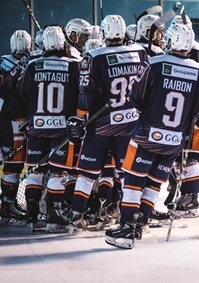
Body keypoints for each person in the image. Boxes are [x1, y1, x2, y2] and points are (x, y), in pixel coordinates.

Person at [105, 23, 199, 249]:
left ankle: (126, 227)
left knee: (133, 181)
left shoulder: (154, 63)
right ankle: (141, 222)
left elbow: (135, 97)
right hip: (174, 142)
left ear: (171, 41)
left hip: (146, 136)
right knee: (153, 184)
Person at [66, 14, 148, 235]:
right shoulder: (139, 52)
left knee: (86, 174)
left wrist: (79, 117)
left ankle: (76, 218)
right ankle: (126, 217)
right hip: (130, 124)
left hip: (100, 125)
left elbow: (86, 94)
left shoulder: (93, 56)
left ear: (103, 33)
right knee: (126, 174)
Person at [16, 25, 80, 232]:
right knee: (58, 172)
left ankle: (32, 215)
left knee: (35, 170)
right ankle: (54, 213)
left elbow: (23, 91)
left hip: (37, 127)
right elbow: (81, 93)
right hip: (61, 129)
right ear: (63, 42)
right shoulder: (72, 65)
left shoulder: (33, 64)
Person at [160, 14, 199, 220]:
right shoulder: (167, 51)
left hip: (194, 115)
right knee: (176, 158)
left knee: (190, 157)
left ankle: (190, 197)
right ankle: (179, 193)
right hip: (176, 116)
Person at [0, 30, 31, 226]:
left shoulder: (2, 60)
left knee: (14, 162)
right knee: (14, 163)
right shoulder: (27, 64)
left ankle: (9, 204)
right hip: (11, 120)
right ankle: (7, 206)